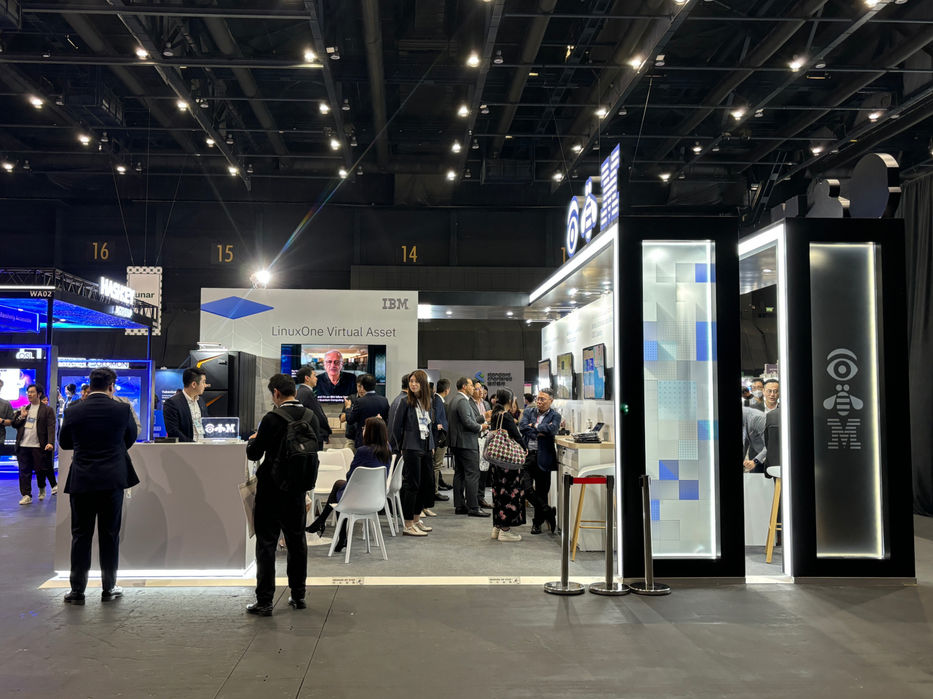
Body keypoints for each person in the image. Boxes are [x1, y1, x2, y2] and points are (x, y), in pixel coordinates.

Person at [58, 367, 139, 605]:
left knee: (80, 535)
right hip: (112, 480)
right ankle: (109, 588)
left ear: (90, 384)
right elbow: (130, 438)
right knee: (109, 535)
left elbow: (64, 443)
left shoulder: (73, 410)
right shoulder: (122, 409)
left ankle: (77, 591)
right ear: (111, 386)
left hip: (82, 479)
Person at [245, 373, 319, 616]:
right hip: (297, 489)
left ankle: (265, 601)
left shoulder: (271, 418)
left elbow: (255, 454)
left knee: (266, 544)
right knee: (297, 542)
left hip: (271, 490)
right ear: (294, 391)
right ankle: (298, 595)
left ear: (276, 393)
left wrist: (253, 441)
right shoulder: (310, 416)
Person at [306, 417, 392, 549]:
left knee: (340, 491)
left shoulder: (363, 451)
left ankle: (326, 526)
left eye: (365, 427)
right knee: (339, 486)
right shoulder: (388, 449)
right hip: (376, 498)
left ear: (371, 432)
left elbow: (350, 476)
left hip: (357, 499)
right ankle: (331, 530)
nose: (363, 429)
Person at [391, 369, 436, 536]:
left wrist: (431, 445)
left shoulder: (427, 402)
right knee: (412, 485)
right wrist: (398, 449)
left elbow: (429, 425)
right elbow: (395, 428)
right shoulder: (405, 402)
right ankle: (408, 523)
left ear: (423, 384)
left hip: (426, 447)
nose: (413, 384)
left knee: (425, 484)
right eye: (411, 381)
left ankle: (417, 519)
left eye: (416, 381)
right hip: (411, 448)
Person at [519, 387, 561, 534]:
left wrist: (535, 426)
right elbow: (522, 427)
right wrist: (539, 433)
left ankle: (537, 523)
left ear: (551, 400)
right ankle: (548, 511)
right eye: (538, 398)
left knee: (542, 491)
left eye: (543, 399)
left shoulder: (555, 416)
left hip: (544, 457)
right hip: (528, 455)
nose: (539, 402)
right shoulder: (529, 411)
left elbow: (553, 429)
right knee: (525, 488)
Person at [447, 376, 489, 517]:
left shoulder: (455, 399)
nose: (473, 388)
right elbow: (468, 422)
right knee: (472, 474)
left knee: (459, 473)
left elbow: (466, 420)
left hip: (458, 443)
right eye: (471, 385)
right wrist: (481, 427)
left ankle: (460, 505)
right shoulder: (463, 401)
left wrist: (482, 418)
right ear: (464, 387)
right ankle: (473, 507)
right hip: (466, 443)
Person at [488, 388, 526, 542]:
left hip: (497, 460)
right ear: (510, 400)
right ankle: (505, 530)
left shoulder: (495, 415)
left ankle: (497, 527)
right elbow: (517, 436)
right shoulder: (506, 416)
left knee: (498, 494)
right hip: (508, 463)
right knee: (509, 494)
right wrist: (524, 449)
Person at [12, 384, 57, 505]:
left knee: (40, 470)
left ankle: (42, 486)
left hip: (38, 446)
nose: (29, 394)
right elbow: (14, 424)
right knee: (24, 471)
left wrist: (50, 442)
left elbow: (51, 427)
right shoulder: (24, 409)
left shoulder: (47, 410)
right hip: (23, 445)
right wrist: (22, 416)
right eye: (28, 392)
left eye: (32, 392)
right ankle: (26, 495)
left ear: (39, 394)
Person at [162, 367, 209, 442]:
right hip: (185, 447)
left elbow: (206, 423)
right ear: (194, 384)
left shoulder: (201, 401)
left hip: (203, 445)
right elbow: (173, 431)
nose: (205, 385)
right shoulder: (172, 403)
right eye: (203, 382)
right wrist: (193, 444)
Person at [345, 374, 390, 447]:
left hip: (363, 440)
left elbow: (350, 420)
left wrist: (348, 408)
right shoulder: (384, 400)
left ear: (363, 386)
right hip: (379, 439)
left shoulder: (360, 401)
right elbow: (387, 419)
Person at [296, 366, 332, 449]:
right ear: (307, 378)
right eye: (314, 376)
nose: (316, 378)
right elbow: (318, 415)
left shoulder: (299, 391)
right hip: (313, 435)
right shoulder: (308, 393)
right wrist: (327, 432)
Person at [432, 379, 452, 499]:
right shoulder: (438, 401)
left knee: (436, 465)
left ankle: (435, 489)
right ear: (447, 390)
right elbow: (437, 421)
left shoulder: (437, 399)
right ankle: (434, 492)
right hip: (439, 439)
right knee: (437, 465)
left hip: (438, 438)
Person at [386, 373, 410, 452]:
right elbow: (397, 428)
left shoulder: (397, 399)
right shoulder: (405, 401)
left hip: (394, 445)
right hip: (399, 447)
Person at [742, 406, 768, 473]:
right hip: (757, 454)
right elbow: (746, 441)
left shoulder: (757, 418)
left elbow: (770, 445)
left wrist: (755, 461)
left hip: (770, 457)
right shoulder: (744, 418)